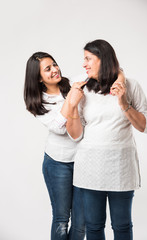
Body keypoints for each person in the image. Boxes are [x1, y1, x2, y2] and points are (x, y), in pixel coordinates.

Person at [66, 39, 147, 240]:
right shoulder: (81, 86)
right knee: (94, 226)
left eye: (88, 58)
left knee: (122, 225)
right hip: (90, 167)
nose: (84, 64)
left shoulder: (130, 86)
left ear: (103, 59)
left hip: (121, 167)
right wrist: (72, 106)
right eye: (84, 59)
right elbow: (76, 134)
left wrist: (124, 103)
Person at [24, 52, 86, 240]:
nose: (55, 70)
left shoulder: (71, 84)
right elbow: (59, 128)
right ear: (38, 78)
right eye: (48, 69)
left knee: (81, 221)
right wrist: (71, 100)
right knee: (61, 219)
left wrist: (120, 75)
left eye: (55, 65)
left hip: (84, 161)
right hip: (57, 163)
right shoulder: (37, 102)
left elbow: (102, 71)